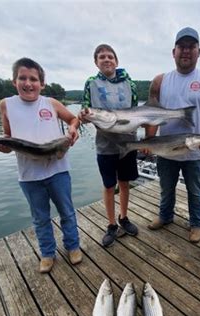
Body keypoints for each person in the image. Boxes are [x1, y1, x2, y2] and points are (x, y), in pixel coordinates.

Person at [0, 57, 82, 273]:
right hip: (29, 175)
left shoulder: (51, 103)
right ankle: (47, 253)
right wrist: (3, 146)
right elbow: (8, 136)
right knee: (40, 218)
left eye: (33, 79)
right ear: (14, 81)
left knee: (67, 212)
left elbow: (73, 120)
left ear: (42, 84)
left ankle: (73, 246)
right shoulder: (6, 104)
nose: (28, 83)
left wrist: (73, 130)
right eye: (22, 78)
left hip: (58, 170)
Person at [145, 27, 200, 243]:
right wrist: (147, 142)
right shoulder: (160, 81)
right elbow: (152, 115)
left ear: (199, 51)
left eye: (191, 47)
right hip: (166, 148)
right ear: (174, 51)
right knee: (166, 187)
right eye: (182, 47)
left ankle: (196, 224)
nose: (186, 51)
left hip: (194, 150)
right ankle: (165, 216)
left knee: (195, 190)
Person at [79, 44, 139, 247]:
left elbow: (135, 111)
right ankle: (112, 224)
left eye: (110, 56)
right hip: (105, 144)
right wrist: (83, 117)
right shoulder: (91, 83)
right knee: (108, 185)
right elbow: (85, 112)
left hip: (128, 143)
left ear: (116, 61)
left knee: (124, 182)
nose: (106, 59)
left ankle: (124, 218)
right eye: (102, 57)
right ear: (96, 62)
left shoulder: (130, 83)